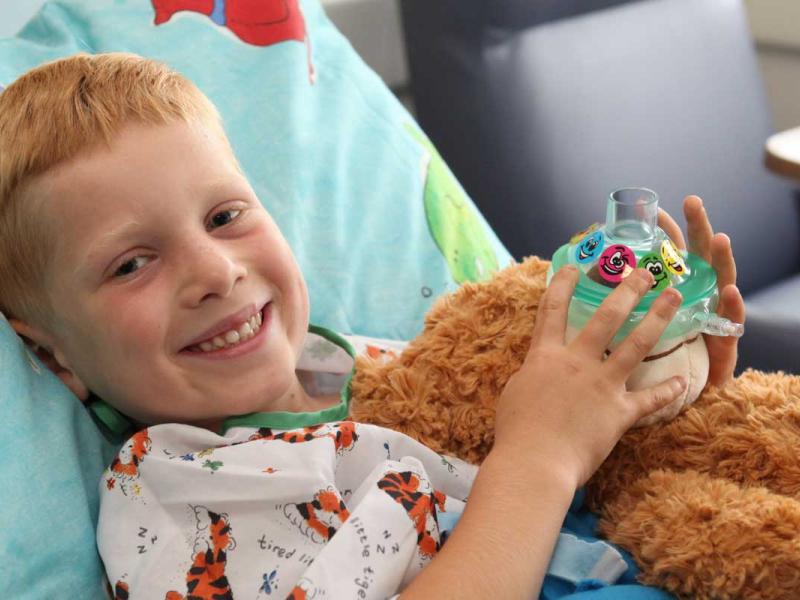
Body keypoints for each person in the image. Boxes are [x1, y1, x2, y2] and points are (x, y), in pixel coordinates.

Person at [0, 53, 743, 599]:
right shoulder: (167, 497)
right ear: (53, 354)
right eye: (131, 264)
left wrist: (670, 376)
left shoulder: (388, 362)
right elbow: (543, 465)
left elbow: (601, 473)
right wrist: (540, 456)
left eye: (225, 217)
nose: (217, 272)